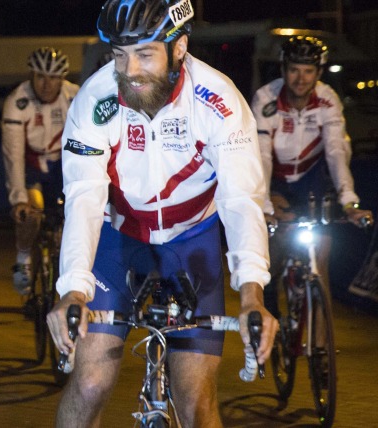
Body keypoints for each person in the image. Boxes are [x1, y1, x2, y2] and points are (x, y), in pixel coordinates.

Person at [46, 1, 279, 426]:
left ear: (179, 48)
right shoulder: (95, 99)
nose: (129, 69)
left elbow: (241, 200)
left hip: (193, 241)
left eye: (145, 53)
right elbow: (84, 198)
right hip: (120, 239)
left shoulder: (219, 100)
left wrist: (251, 294)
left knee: (196, 402)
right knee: (90, 384)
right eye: (119, 54)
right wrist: (73, 291)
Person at [251, 36, 373, 316]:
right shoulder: (266, 98)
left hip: (311, 180)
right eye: (294, 69)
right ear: (283, 70)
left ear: (319, 73)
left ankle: (320, 346)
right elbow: (262, 156)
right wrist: (265, 205)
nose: (300, 78)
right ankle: (271, 311)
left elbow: (336, 151)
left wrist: (350, 202)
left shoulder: (328, 100)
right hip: (275, 179)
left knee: (320, 258)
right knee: (273, 248)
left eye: (308, 71)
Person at [1, 47, 79, 294]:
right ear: (31, 76)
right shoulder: (17, 101)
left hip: (62, 163)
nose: (47, 85)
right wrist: (19, 199)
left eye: (54, 78)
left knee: (74, 213)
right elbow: (13, 155)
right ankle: (23, 258)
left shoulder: (74, 97)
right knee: (32, 213)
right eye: (41, 77)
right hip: (31, 164)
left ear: (62, 79)